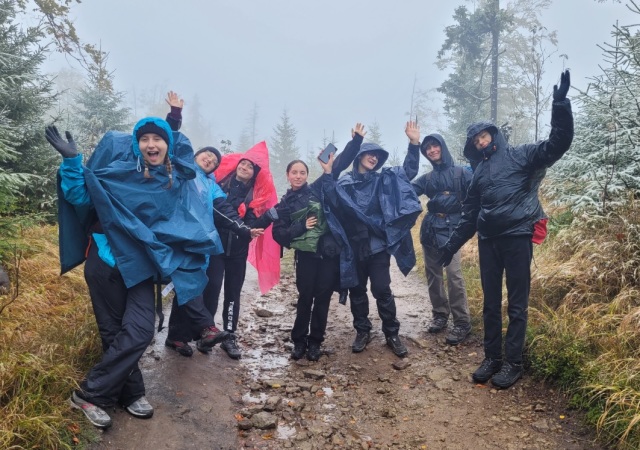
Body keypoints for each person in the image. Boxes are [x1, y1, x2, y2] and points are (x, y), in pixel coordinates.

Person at [46, 117, 228, 428]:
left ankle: (90, 391)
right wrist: (72, 161)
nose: (151, 144)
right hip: (107, 262)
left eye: (158, 139)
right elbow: (80, 196)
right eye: (144, 139)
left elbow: (187, 219)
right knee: (114, 333)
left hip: (142, 268)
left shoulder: (175, 184)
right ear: (137, 144)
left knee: (141, 331)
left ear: (168, 146)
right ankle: (127, 394)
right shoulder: (118, 173)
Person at [438, 70, 573, 388]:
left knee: (516, 302)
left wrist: (561, 104)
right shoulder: (478, 174)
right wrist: (450, 246)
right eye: (476, 139)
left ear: (494, 136)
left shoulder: (522, 156)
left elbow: (557, 144)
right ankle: (492, 358)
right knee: (489, 302)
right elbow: (469, 216)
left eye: (485, 136)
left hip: (517, 238)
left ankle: (513, 362)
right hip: (488, 241)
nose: (481, 141)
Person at [323, 122, 422, 357]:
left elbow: (407, 172)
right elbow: (332, 200)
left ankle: (392, 333)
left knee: (381, 288)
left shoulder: (384, 179)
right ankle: (362, 331)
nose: (373, 159)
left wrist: (414, 143)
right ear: (359, 156)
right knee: (357, 290)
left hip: (377, 246)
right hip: (353, 247)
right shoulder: (345, 183)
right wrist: (328, 172)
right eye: (369, 154)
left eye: (377, 156)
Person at [204, 143, 279, 359]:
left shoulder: (257, 195)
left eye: (250, 167)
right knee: (211, 288)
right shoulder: (220, 184)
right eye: (243, 163)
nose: (244, 167)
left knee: (233, 293)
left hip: (237, 251)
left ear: (255, 174)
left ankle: (229, 336)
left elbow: (254, 228)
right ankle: (207, 332)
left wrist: (270, 216)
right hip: (216, 248)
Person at [272, 156, 341, 361]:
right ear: (287, 175)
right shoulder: (283, 205)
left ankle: (315, 342)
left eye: (302, 172)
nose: (298, 176)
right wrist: (301, 226)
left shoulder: (316, 190)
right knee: (305, 298)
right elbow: (279, 234)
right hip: (306, 257)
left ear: (307, 175)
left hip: (327, 255)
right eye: (294, 172)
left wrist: (356, 142)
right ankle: (299, 341)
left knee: (322, 298)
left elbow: (335, 174)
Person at [411, 131, 473, 345]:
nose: (431, 150)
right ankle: (440, 315)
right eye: (427, 148)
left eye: (434, 146)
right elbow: (408, 191)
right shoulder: (427, 178)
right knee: (433, 275)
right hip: (430, 229)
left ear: (442, 147)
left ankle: (462, 321)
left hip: (454, 230)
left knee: (454, 275)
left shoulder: (461, 173)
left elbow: (479, 193)